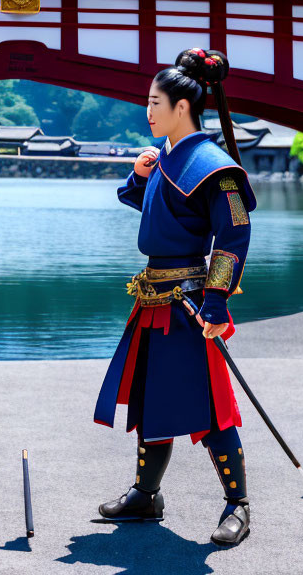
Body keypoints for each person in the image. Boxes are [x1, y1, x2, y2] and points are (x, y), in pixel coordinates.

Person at [93, 48, 257, 547]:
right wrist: (139, 177)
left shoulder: (215, 167)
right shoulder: (164, 158)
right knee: (149, 396)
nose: (147, 111)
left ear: (181, 107)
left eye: (154, 101)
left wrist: (217, 301)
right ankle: (146, 494)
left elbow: (234, 236)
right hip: (151, 297)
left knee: (212, 407)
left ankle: (238, 504)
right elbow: (152, 213)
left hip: (188, 303)